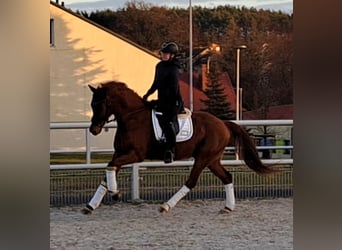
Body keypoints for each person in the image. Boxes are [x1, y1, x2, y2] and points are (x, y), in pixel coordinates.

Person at [143, 41, 184, 163]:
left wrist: (160, 101)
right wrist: (147, 94)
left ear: (172, 55)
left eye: (166, 54)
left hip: (172, 101)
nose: (163, 55)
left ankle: (170, 150)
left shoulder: (174, 69)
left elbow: (173, 89)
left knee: (167, 123)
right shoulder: (159, 66)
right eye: (163, 53)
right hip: (161, 100)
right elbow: (156, 83)